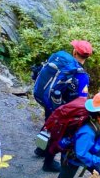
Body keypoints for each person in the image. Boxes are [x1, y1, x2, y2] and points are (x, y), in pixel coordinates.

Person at [35, 40, 93, 170]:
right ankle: (48, 163)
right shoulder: (82, 76)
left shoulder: (61, 61)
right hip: (63, 109)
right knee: (57, 133)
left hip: (50, 100)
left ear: (74, 52)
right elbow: (81, 101)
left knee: (48, 122)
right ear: (87, 57)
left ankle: (40, 149)